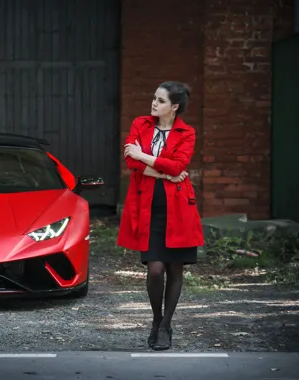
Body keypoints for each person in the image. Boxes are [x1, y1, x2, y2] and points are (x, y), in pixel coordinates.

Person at [116, 81, 205, 351]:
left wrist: (144, 156)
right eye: (154, 98)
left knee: (175, 268)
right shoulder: (141, 124)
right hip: (148, 207)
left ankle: (165, 326)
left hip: (178, 209)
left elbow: (179, 165)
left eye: (161, 100)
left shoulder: (187, 132)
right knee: (155, 269)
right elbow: (131, 162)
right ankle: (156, 320)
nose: (154, 104)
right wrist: (165, 173)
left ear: (174, 107)